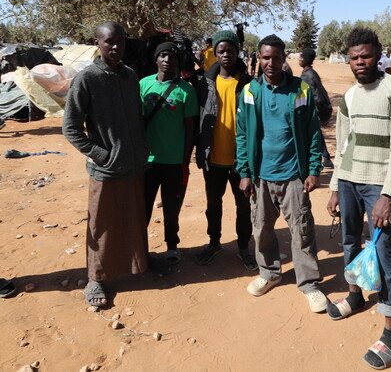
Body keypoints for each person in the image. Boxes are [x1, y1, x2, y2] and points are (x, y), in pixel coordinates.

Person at [326, 26, 391, 369]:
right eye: (354, 58)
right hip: (348, 181)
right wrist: (335, 185)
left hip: (378, 186)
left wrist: (389, 194)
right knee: (349, 243)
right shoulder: (348, 96)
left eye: (365, 56)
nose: (360, 62)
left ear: (378, 55)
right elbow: (343, 143)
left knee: (382, 254)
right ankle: (354, 296)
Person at [236, 34, 328, 313]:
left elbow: (313, 131)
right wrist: (244, 172)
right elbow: (242, 135)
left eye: (276, 57)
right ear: (259, 58)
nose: (271, 63)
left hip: (293, 175)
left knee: (301, 230)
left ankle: (309, 284)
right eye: (266, 57)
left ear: (283, 57)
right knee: (261, 228)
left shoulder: (300, 90)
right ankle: (269, 273)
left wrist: (313, 169)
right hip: (261, 176)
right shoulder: (250, 92)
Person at [63, 22, 150, 308]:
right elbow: (71, 128)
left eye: (120, 42)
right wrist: (101, 155)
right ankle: (95, 278)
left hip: (133, 166)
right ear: (97, 43)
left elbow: (135, 118)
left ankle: (135, 266)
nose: (115, 48)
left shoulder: (129, 75)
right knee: (101, 225)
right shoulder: (87, 78)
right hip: (106, 170)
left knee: (132, 219)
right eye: (109, 42)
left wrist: (140, 151)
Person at [195, 30, 257, 270]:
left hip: (240, 161)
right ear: (215, 53)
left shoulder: (249, 84)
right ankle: (214, 242)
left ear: (237, 52)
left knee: (243, 207)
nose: (226, 55)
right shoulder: (206, 83)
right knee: (213, 205)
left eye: (230, 50)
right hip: (213, 158)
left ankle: (243, 247)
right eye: (221, 51)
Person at [140, 42, 198, 265]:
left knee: (172, 210)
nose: (167, 60)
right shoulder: (143, 84)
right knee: (143, 208)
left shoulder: (187, 90)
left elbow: (191, 127)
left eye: (172, 56)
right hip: (148, 161)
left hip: (175, 162)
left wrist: (185, 159)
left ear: (177, 61)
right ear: (156, 59)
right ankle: (140, 248)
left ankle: (172, 246)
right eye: (162, 55)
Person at [299, 48, 334, 169]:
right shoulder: (308, 73)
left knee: (312, 134)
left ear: (306, 60)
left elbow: (317, 96)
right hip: (313, 110)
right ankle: (326, 159)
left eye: (301, 57)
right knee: (316, 134)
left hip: (313, 110)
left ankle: (320, 160)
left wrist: (316, 112)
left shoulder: (309, 75)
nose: (299, 59)